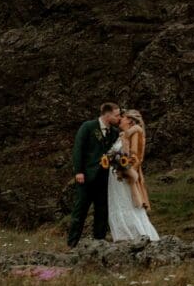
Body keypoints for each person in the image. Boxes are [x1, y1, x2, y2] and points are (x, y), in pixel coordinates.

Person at [67, 102, 121, 248]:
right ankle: (72, 244)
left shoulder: (115, 133)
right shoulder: (88, 127)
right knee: (80, 211)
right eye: (117, 115)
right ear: (107, 115)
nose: (119, 118)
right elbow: (78, 149)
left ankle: (99, 243)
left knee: (102, 211)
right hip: (86, 177)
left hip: (104, 179)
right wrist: (78, 171)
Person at [107, 109, 159, 242]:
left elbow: (135, 157)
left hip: (124, 176)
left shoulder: (135, 132)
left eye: (123, 117)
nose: (120, 119)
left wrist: (124, 168)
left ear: (130, 120)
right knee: (118, 203)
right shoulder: (122, 135)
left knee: (128, 204)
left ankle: (140, 236)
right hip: (115, 176)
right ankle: (123, 237)